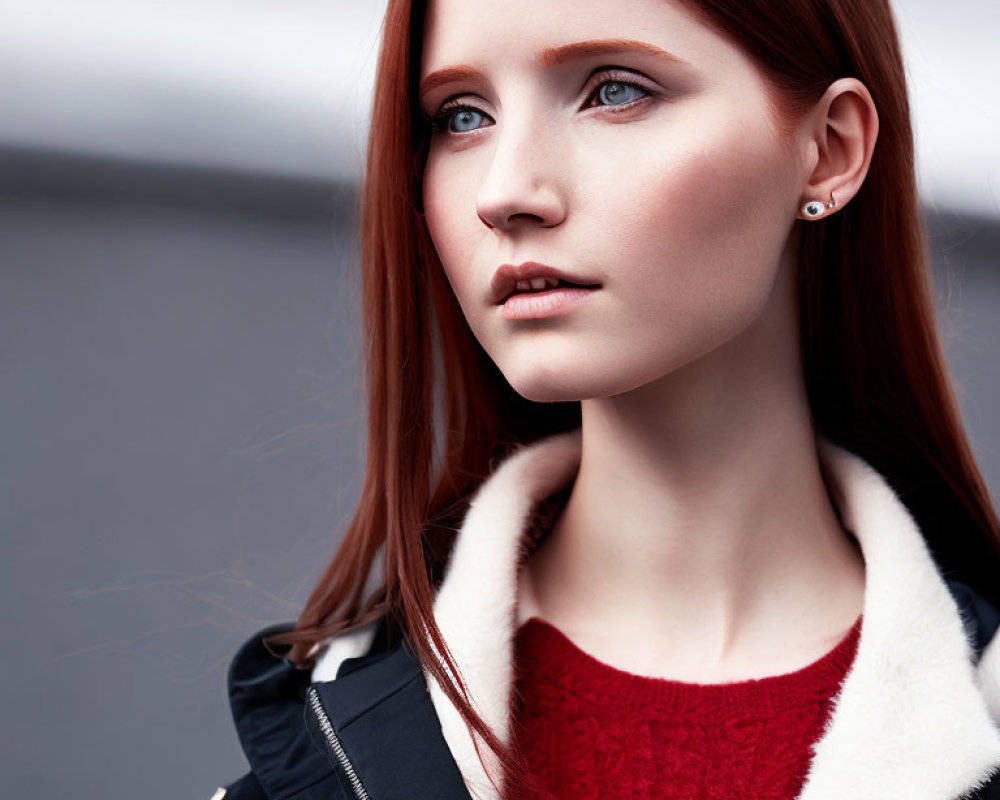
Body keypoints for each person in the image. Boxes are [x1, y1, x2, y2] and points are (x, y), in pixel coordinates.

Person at [211, 0, 1000, 797]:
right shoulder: (329, 759)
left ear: (830, 149)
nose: (505, 191)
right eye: (461, 115)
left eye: (616, 91)